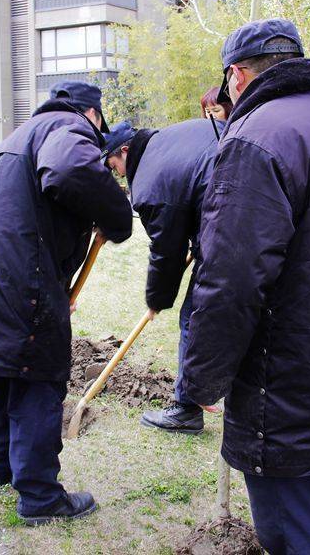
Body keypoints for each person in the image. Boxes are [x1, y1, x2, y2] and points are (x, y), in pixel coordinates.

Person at [180, 19, 310, 553]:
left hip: (284, 384)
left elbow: (229, 281)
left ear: (236, 76)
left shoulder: (256, 140)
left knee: (296, 533)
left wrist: (200, 381)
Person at [0, 81, 132, 526]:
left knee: (6, 366)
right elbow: (68, 171)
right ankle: (40, 497)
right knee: (37, 374)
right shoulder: (69, 126)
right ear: (94, 115)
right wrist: (116, 217)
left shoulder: (17, 137)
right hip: (14, 274)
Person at [101, 113, 224, 435]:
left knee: (194, 317)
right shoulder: (173, 136)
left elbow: (166, 251)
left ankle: (186, 408)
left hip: (227, 229)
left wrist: (157, 299)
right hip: (240, 214)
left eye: (112, 163)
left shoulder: (149, 183)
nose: (115, 172)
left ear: (125, 151)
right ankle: (218, 388)